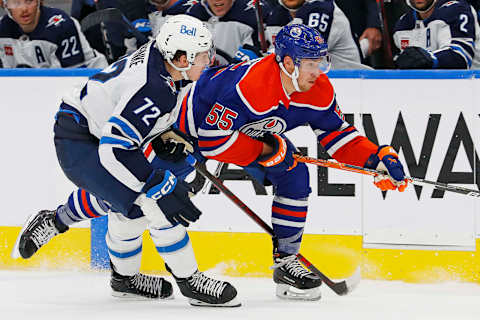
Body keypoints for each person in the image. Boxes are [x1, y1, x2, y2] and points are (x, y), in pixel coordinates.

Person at [12, 14, 240, 307]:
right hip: (78, 139)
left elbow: (129, 120)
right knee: (152, 204)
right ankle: (189, 279)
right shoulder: (152, 88)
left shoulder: (167, 65)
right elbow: (114, 149)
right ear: (180, 58)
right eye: (201, 55)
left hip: (98, 126)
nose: (209, 59)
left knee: (128, 205)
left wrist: (163, 134)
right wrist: (155, 184)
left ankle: (118, 275)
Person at [171, 23, 409, 300]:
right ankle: (125, 272)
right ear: (287, 62)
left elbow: (339, 135)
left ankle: (286, 264)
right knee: (154, 194)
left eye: (320, 61)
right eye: (310, 63)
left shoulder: (318, 89)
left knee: (294, 175)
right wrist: (268, 150)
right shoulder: (251, 86)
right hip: (185, 132)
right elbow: (212, 141)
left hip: (243, 133)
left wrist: (376, 158)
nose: (317, 71)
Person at [0, 0, 107, 68]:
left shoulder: (62, 26)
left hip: (90, 79)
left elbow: (72, 76)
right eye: (15, 2)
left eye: (29, 0)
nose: (24, 9)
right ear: (3, 4)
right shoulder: (2, 29)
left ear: (39, 1)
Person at [265, 0, 366, 69]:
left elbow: (305, 53)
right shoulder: (277, 16)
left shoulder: (322, 9)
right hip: (313, 83)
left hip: (352, 85)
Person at [393, 0, 480, 69]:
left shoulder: (456, 9)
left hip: (471, 81)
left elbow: (461, 58)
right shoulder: (402, 25)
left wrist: (431, 59)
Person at [187, 0, 271, 64]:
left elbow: (259, 55)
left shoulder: (254, 12)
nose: (217, 0)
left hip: (237, 77)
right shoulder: (191, 13)